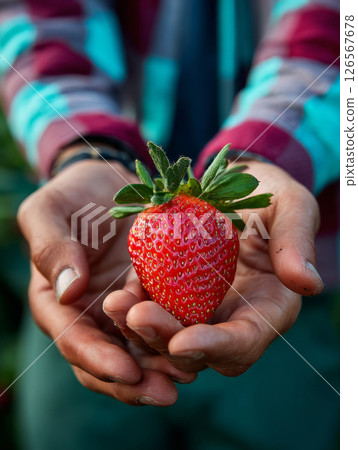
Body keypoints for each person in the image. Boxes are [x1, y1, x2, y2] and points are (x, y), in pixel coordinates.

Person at [0, 1, 339, 449]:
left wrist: (264, 153)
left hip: (288, 279)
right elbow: (40, 21)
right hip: (97, 293)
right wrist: (84, 150)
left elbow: (336, 32)